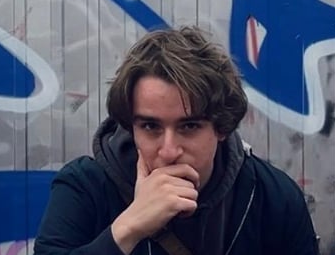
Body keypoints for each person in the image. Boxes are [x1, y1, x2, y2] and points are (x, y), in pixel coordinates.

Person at [34, 26, 319, 255]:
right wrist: (128, 228)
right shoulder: (85, 187)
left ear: (222, 127)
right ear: (131, 127)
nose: (169, 151)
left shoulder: (270, 197)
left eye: (189, 126)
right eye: (150, 127)